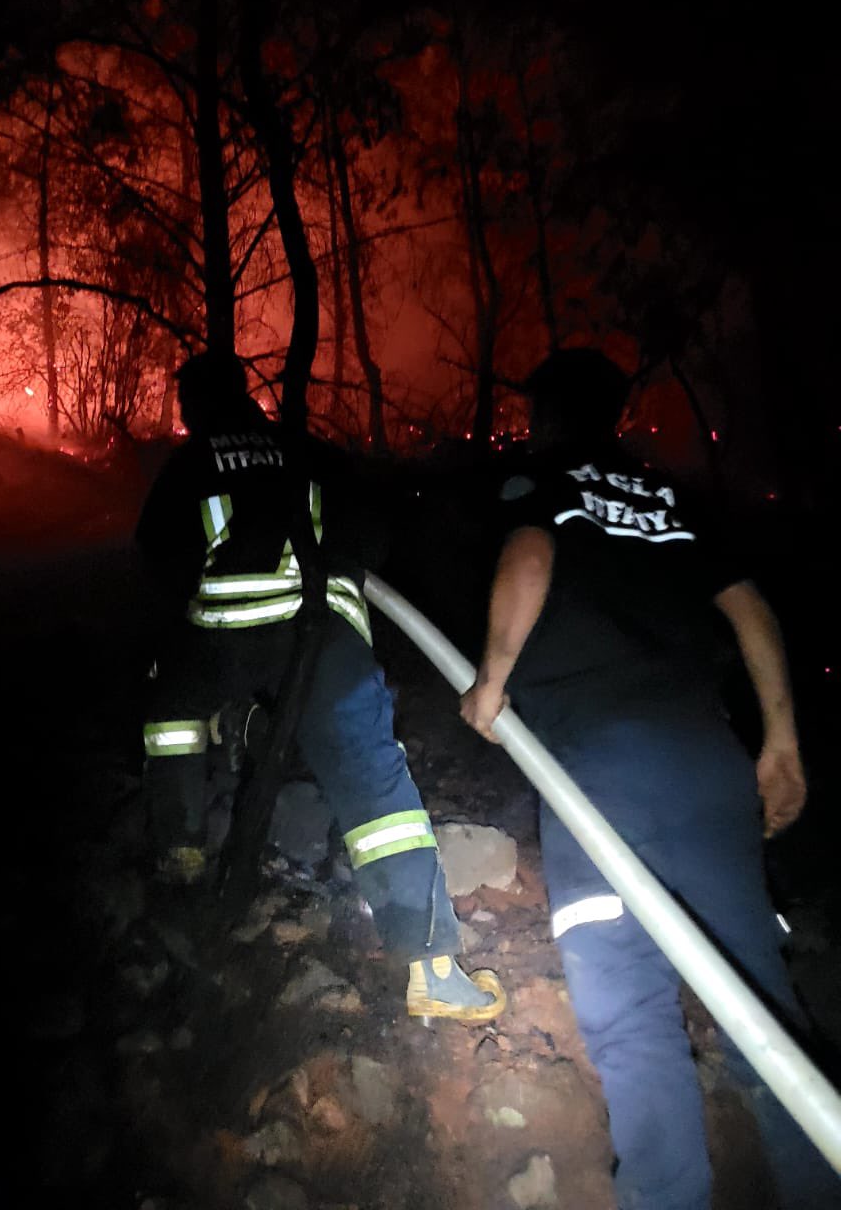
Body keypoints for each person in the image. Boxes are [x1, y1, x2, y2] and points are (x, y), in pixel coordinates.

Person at [461, 347, 838, 1208]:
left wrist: (492, 677)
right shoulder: (670, 498)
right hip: (709, 764)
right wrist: (780, 741)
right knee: (758, 1003)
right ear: (616, 416)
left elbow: (529, 556)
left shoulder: (540, 480)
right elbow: (752, 610)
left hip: (601, 773)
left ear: (549, 418)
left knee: (630, 1012)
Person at [136, 351, 506, 1023]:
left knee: (170, 720)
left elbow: (159, 559)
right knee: (372, 778)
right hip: (322, 633)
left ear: (195, 405)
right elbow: (375, 532)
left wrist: (174, 649)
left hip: (223, 635)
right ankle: (432, 967)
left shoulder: (189, 465)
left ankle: (184, 846)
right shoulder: (305, 448)